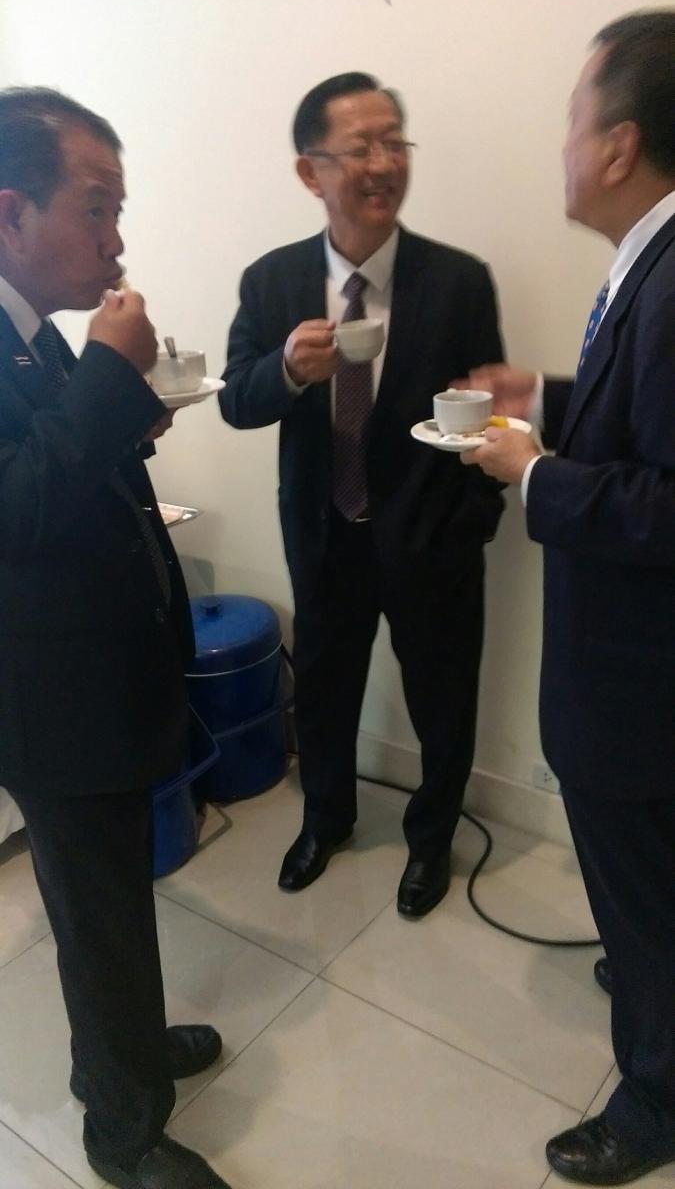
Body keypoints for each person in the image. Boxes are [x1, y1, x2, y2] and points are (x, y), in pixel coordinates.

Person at [0, 88, 230, 1189]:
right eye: (96, 207)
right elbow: (14, 511)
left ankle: (126, 1051)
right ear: (10, 213)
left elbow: (60, 464)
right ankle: (122, 1130)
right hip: (44, 700)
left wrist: (126, 407)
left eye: (117, 210)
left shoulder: (33, 336)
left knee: (115, 895)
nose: (115, 239)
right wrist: (107, 375)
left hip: (90, 673)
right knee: (95, 913)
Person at [461, 11, 675, 1185]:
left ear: (620, 145)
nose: (562, 147)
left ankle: (654, 1102)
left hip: (641, 687)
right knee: (648, 892)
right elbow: (646, 417)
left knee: (644, 895)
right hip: (635, 676)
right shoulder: (650, 263)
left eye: (572, 122)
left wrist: (532, 471)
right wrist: (546, 393)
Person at [220, 72, 505, 918]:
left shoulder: (458, 280)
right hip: (323, 535)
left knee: (443, 702)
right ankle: (326, 820)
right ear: (310, 171)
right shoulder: (271, 281)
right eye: (359, 148)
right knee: (323, 691)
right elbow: (236, 401)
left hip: (432, 539)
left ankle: (430, 841)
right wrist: (285, 371)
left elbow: (484, 410)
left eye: (394, 143)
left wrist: (470, 524)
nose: (383, 164)